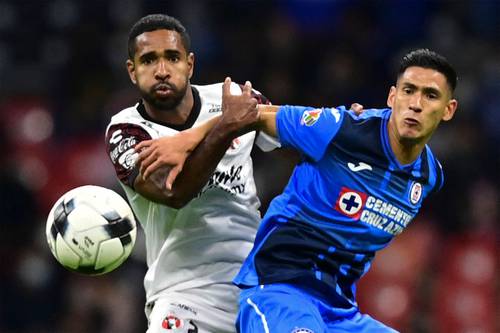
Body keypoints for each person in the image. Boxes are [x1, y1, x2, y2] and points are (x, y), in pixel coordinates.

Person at [138, 48, 458, 332]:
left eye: (430, 95)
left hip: (340, 311)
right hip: (280, 290)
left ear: (448, 109)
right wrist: (184, 141)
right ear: (392, 97)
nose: (415, 104)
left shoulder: (429, 177)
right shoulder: (344, 129)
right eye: (408, 91)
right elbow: (252, 116)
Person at [105, 14, 280, 333]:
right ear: (132, 71)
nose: (161, 70)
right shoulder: (126, 132)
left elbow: (297, 132)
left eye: (172, 57)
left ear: (190, 64)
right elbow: (174, 192)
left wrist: (344, 125)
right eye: (148, 60)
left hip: (259, 287)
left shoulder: (233, 100)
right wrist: (225, 128)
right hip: (184, 296)